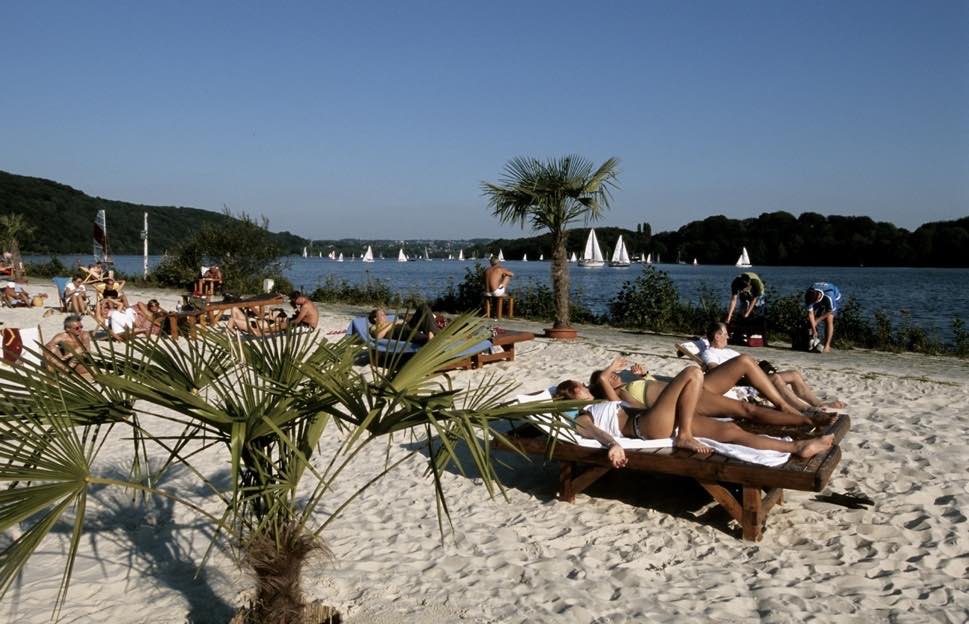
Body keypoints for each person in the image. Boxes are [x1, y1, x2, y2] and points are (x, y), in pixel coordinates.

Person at [556, 369, 835, 469]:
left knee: (732, 431)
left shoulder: (606, 401)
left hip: (658, 418)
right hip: (644, 428)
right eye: (579, 386)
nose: (584, 387)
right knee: (692, 373)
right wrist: (612, 444)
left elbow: (633, 401)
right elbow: (593, 432)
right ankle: (685, 435)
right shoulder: (583, 415)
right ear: (572, 396)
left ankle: (797, 448)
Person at [590, 357, 831, 428]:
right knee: (747, 410)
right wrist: (605, 374)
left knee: (745, 361)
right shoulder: (620, 398)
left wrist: (644, 375)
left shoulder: (630, 381)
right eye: (609, 376)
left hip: (696, 385)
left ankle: (782, 404)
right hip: (688, 399)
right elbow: (640, 411)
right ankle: (805, 419)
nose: (613, 375)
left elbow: (658, 385)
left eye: (612, 373)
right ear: (603, 386)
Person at [701, 322, 845, 411]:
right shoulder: (709, 353)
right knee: (776, 378)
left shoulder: (728, 351)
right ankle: (805, 409)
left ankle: (817, 403)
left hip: (755, 375)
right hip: (744, 382)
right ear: (717, 336)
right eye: (725, 334)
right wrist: (740, 368)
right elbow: (714, 370)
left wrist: (754, 363)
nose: (728, 337)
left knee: (794, 374)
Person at [368, 304, 438, 343]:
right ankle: (429, 340)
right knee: (410, 332)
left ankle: (435, 334)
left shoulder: (390, 321)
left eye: (384, 314)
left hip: (406, 325)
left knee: (423, 307)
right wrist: (391, 325)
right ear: (375, 319)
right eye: (382, 315)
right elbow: (378, 336)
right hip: (396, 331)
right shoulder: (373, 327)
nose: (385, 316)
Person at [805, 282, 842, 353]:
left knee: (829, 320)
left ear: (818, 297)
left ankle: (827, 346)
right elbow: (810, 313)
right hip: (816, 297)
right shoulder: (808, 295)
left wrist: (817, 321)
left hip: (835, 296)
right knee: (809, 320)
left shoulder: (829, 296)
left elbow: (829, 311)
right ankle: (813, 340)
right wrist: (814, 329)